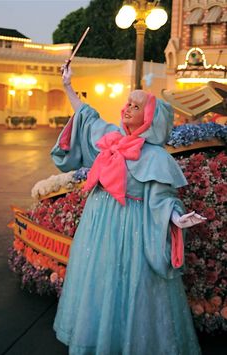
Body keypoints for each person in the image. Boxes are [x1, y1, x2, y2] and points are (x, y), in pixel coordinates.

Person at [51, 63, 206, 355]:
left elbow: (161, 198)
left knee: (128, 284)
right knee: (100, 280)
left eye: (136, 106)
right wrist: (68, 86)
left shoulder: (156, 157)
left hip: (131, 230)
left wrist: (176, 218)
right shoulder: (111, 137)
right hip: (99, 226)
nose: (127, 109)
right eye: (128, 103)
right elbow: (86, 117)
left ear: (148, 118)